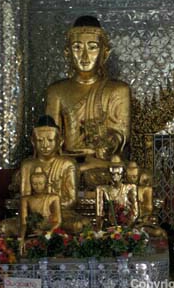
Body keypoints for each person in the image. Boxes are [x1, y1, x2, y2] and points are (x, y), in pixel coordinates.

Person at [45, 15, 131, 184]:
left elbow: (121, 134)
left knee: (120, 173)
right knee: (32, 171)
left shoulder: (118, 89)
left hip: (102, 163)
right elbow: (50, 137)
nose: (84, 56)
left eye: (92, 47)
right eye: (77, 47)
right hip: (67, 162)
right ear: (67, 53)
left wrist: (109, 142)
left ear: (104, 53)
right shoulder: (56, 91)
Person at [96, 156, 138, 228]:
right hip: (109, 226)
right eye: (112, 172)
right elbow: (99, 213)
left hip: (126, 225)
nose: (115, 175)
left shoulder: (130, 188)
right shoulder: (102, 189)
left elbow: (135, 211)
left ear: (123, 173)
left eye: (118, 172)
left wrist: (127, 228)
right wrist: (100, 231)